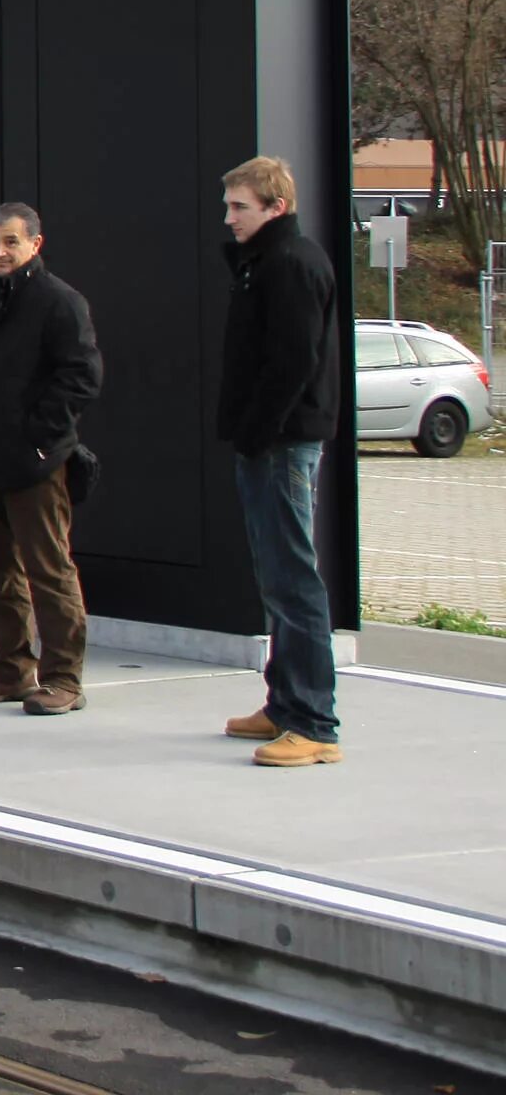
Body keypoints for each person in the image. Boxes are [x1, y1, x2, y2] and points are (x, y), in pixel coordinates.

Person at [0, 206, 106, 715]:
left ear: (35, 244)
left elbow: (81, 376)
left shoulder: (59, 302)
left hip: (34, 463)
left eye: (10, 242)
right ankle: (12, 668)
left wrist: (40, 440)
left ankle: (64, 679)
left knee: (49, 570)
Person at [215, 156, 345, 767]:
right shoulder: (266, 265)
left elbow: (292, 362)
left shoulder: (291, 265)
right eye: (229, 206)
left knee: (294, 579)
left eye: (240, 207)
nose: (229, 218)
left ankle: (315, 723)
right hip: (270, 440)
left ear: (276, 207)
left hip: (282, 442)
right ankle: (285, 702)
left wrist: (256, 434)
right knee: (277, 577)